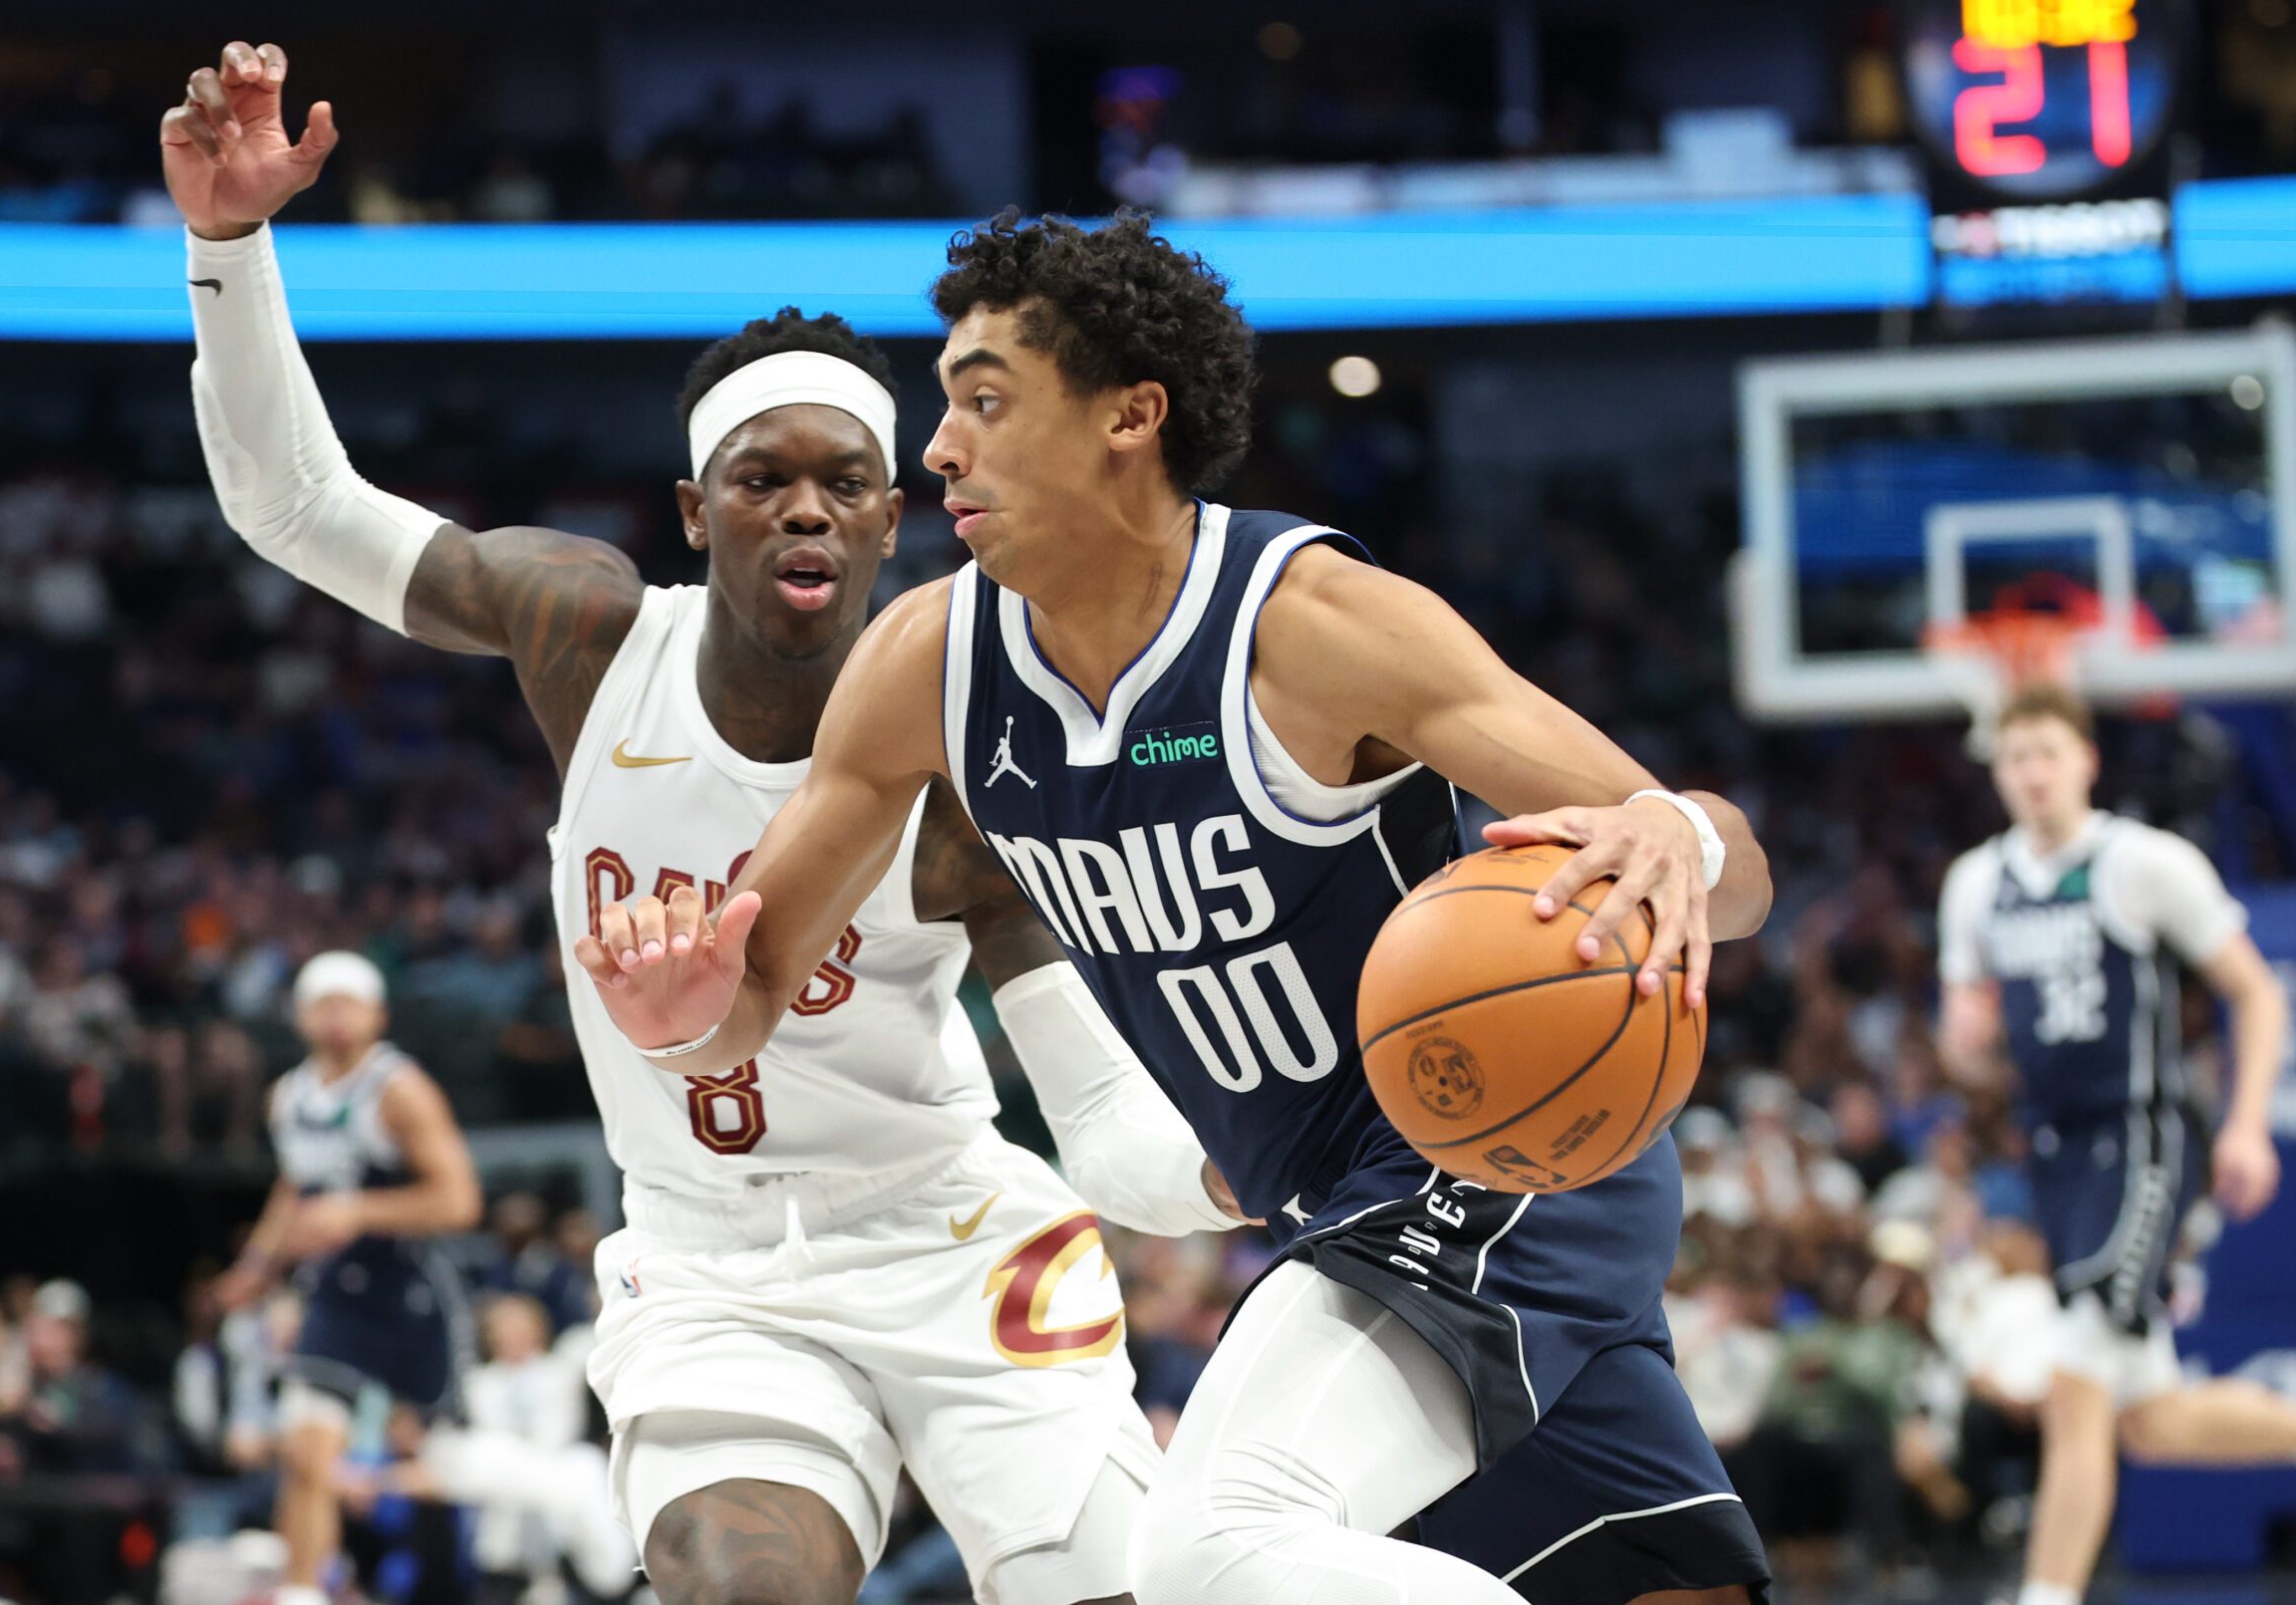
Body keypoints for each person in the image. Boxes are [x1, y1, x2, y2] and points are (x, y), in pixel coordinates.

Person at [164, 44, 1244, 1605]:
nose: (804, 506)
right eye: (762, 478)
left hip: (955, 1237)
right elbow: (296, 507)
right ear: (695, 509)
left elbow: (1107, 1131)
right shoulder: (590, 633)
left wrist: (1245, 1168)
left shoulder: (970, 744)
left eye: (843, 483)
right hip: (714, 1258)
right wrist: (229, 245)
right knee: (743, 1584)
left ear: (896, 514)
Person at [577, 208, 1777, 1604]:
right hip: (1337, 1205)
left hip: (1486, 1152)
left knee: (1212, 1548)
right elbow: (753, 984)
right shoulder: (926, 661)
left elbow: (1729, 868)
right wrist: (681, 1022)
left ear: (1127, 417)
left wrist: (1677, 832)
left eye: (983, 400)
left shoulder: (1312, 622)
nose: (940, 448)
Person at [1936, 681, 2296, 1605]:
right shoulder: (1976, 884)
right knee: (2145, 1422)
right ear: (2000, 772)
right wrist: (1966, 1044)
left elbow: (2256, 993)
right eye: (2016, 759)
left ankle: (2044, 1597)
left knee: (2074, 1375)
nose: (2032, 774)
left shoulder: (2143, 863)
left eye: (2047, 754)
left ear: (2085, 761)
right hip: (2055, 1155)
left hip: (2142, 1139)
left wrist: (2250, 1122)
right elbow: (1962, 1046)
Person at [210, 952, 482, 1605]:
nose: (335, 1015)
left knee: (437, 1468)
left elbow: (459, 1200)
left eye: (348, 1001)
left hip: (410, 1292)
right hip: (337, 1292)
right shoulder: (289, 1095)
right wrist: (256, 1264)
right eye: (322, 1002)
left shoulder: (398, 1087)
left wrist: (358, 1210)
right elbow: (294, 1188)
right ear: (301, 1015)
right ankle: (303, 1591)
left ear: (378, 1014)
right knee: (305, 1448)